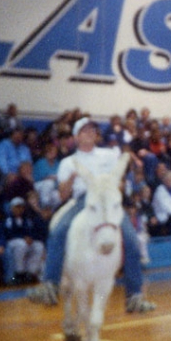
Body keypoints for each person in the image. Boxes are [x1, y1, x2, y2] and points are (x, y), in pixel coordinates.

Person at [26, 117, 156, 313]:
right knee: (59, 231)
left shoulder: (109, 155)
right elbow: (63, 194)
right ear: (76, 137)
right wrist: (72, 177)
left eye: (92, 130)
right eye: (84, 131)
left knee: (131, 239)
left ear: (96, 135)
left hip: (107, 199)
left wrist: (113, 186)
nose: (89, 133)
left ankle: (134, 296)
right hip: (83, 200)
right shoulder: (69, 162)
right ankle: (49, 285)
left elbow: (120, 184)